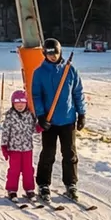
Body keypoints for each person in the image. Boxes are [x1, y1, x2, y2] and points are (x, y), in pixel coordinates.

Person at [29, 38, 86, 202]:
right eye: (48, 54)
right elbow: (36, 96)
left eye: (55, 53)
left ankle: (71, 184)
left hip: (68, 119)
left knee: (70, 153)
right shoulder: (39, 73)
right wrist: (40, 116)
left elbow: (78, 93)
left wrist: (82, 114)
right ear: (44, 54)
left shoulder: (70, 70)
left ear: (60, 52)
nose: (52, 57)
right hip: (49, 121)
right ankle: (43, 184)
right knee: (48, 153)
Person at [0, 89, 38, 201]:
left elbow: (33, 129)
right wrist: (4, 146)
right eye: (17, 103)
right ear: (13, 104)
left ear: (26, 103)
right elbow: (5, 132)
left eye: (22, 102)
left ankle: (29, 189)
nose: (20, 105)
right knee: (14, 170)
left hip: (27, 148)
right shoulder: (10, 116)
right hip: (14, 148)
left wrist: (40, 127)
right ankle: (12, 190)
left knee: (28, 170)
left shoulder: (30, 115)